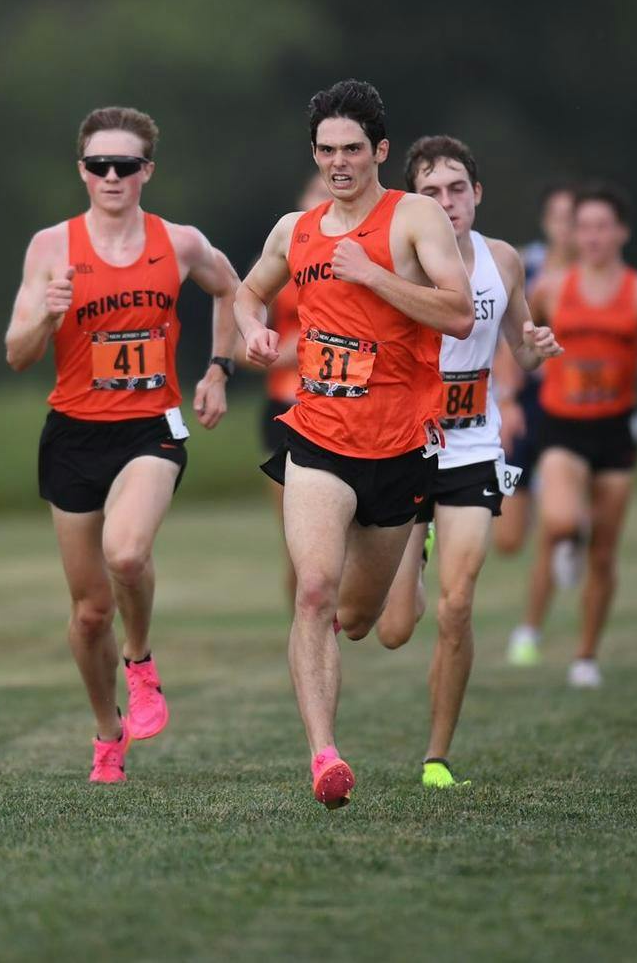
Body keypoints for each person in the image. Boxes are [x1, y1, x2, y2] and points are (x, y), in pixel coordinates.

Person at [234, 79, 474, 809]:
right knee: (312, 590)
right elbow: (247, 293)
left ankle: (411, 555)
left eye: (352, 150)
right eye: (326, 151)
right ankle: (324, 756)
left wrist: (371, 275)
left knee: (362, 620)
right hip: (317, 437)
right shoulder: (293, 230)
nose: (339, 163)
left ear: (379, 152)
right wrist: (253, 331)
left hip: (399, 446)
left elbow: (459, 314)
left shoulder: (414, 219)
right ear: (314, 154)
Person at [4, 107, 243, 785]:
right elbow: (17, 354)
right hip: (75, 434)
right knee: (87, 613)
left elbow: (231, 288)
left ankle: (140, 662)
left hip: (151, 427)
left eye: (126, 165)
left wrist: (219, 370)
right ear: (82, 171)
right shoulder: (51, 248)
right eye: (99, 165)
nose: (112, 176)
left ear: (147, 172)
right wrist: (48, 316)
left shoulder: (180, 242)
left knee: (128, 553)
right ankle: (108, 733)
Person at [373, 137, 561, 789]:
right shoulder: (397, 258)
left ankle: (436, 756)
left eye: (457, 189)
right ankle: (410, 554)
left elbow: (523, 347)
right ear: (412, 200)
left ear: (476, 194)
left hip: (472, 444)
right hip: (403, 444)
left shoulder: (502, 260)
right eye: (431, 191)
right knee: (394, 628)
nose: (446, 202)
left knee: (458, 606)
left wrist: (538, 345)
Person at [507, 182, 637, 688]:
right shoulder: (550, 288)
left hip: (615, 430)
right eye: (582, 226)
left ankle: (586, 656)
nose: (590, 236)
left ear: (621, 233)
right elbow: (520, 351)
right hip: (561, 424)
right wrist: (518, 376)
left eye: (601, 227)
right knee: (561, 519)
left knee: (605, 553)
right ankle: (568, 538)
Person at [496, 183, 577, 667]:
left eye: (577, 217)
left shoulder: (607, 278)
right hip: (529, 405)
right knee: (507, 540)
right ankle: (572, 533)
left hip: (574, 415)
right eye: (560, 216)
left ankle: (529, 630)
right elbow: (509, 336)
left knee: (555, 524)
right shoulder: (526, 268)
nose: (569, 227)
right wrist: (506, 398)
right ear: (547, 222)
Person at [258, 174, 331, 606]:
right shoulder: (282, 258)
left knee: (344, 532)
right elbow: (242, 337)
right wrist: (273, 349)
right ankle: (306, 631)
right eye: (316, 194)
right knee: (299, 544)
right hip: (286, 407)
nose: (325, 202)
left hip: (345, 404)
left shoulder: (366, 258)